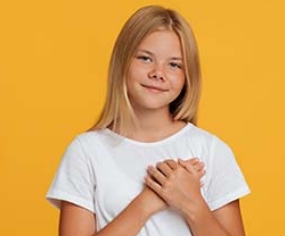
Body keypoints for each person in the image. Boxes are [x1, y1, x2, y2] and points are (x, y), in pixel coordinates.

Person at [46, 5, 250, 236]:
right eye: (145, 58)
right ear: (122, 62)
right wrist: (148, 201)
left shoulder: (211, 151)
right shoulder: (86, 152)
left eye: (174, 64)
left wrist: (193, 204)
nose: (158, 73)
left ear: (187, 75)